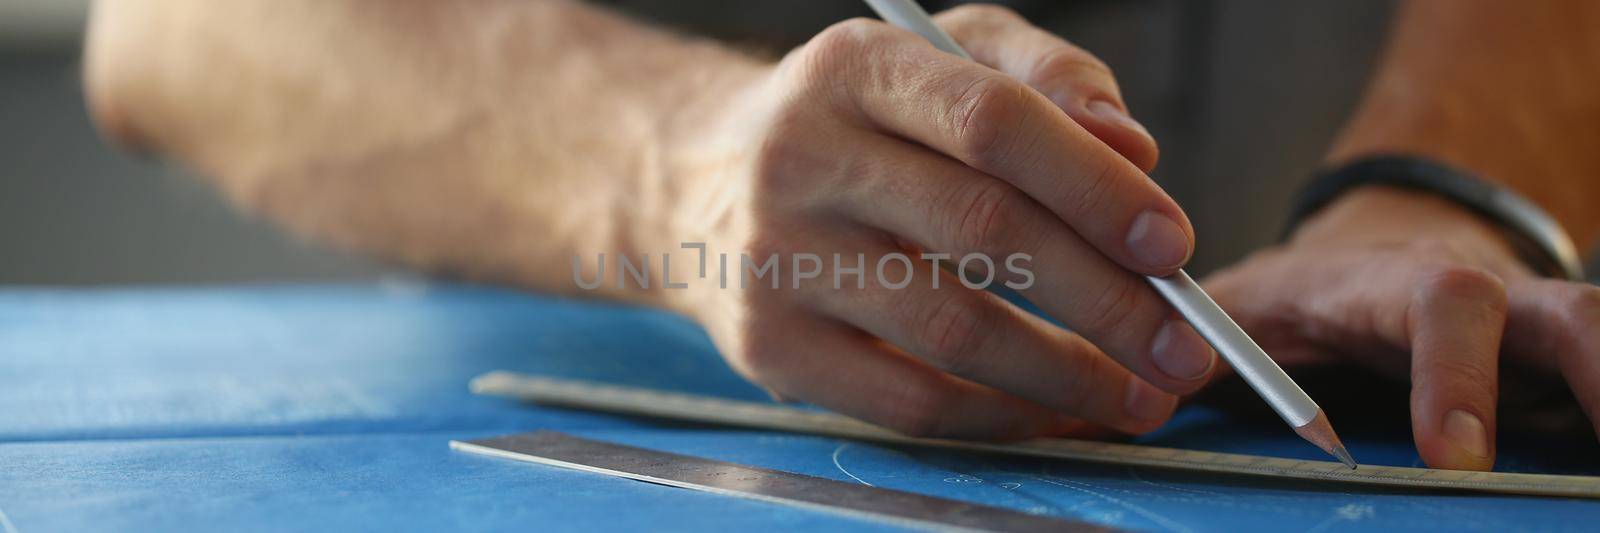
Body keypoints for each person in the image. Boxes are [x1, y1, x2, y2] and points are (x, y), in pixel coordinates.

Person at [81, 0, 1600, 472]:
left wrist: (1440, 192)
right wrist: (670, 172)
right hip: (553, 396)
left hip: (1340, 342)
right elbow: (176, 30)